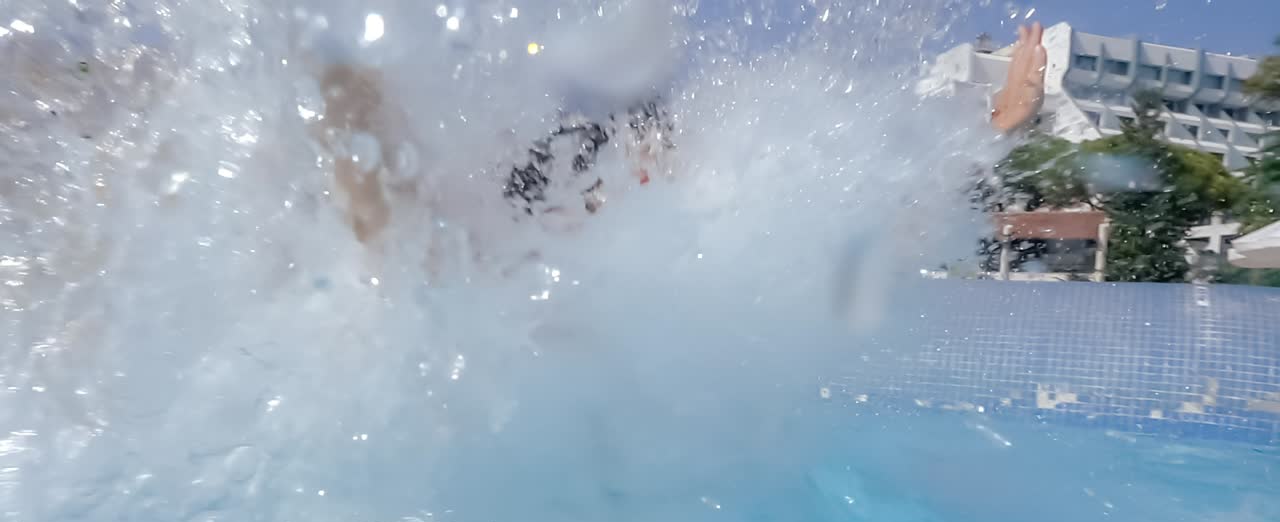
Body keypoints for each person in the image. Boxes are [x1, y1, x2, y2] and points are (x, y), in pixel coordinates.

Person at [313, 23, 1045, 247]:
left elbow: (855, 236)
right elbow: (381, 220)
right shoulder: (489, 239)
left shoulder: (688, 241)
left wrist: (993, 130)